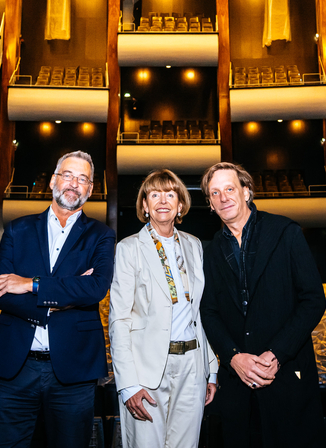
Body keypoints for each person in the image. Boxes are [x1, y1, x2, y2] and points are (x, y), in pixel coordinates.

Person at [0, 151, 115, 448]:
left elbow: (94, 289)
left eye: (82, 179)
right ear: (54, 180)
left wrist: (31, 284)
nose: (74, 183)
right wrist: (64, 298)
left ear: (90, 190)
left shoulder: (101, 235)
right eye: (67, 175)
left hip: (74, 369)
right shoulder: (18, 229)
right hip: (17, 365)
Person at [199, 162, 326, 448]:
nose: (223, 198)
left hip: (287, 376)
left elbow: (313, 300)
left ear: (246, 192)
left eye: (230, 189)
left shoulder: (285, 232)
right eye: (215, 193)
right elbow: (209, 312)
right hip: (237, 385)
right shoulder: (210, 252)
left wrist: (277, 353)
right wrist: (233, 357)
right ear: (210, 204)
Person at [109, 169, 218, 448]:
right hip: (147, 369)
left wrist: (211, 369)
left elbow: (199, 312)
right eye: (154, 194)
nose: (162, 200)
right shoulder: (128, 248)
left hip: (192, 366)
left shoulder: (194, 245)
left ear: (181, 204)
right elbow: (119, 319)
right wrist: (129, 384)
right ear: (144, 205)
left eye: (170, 194)